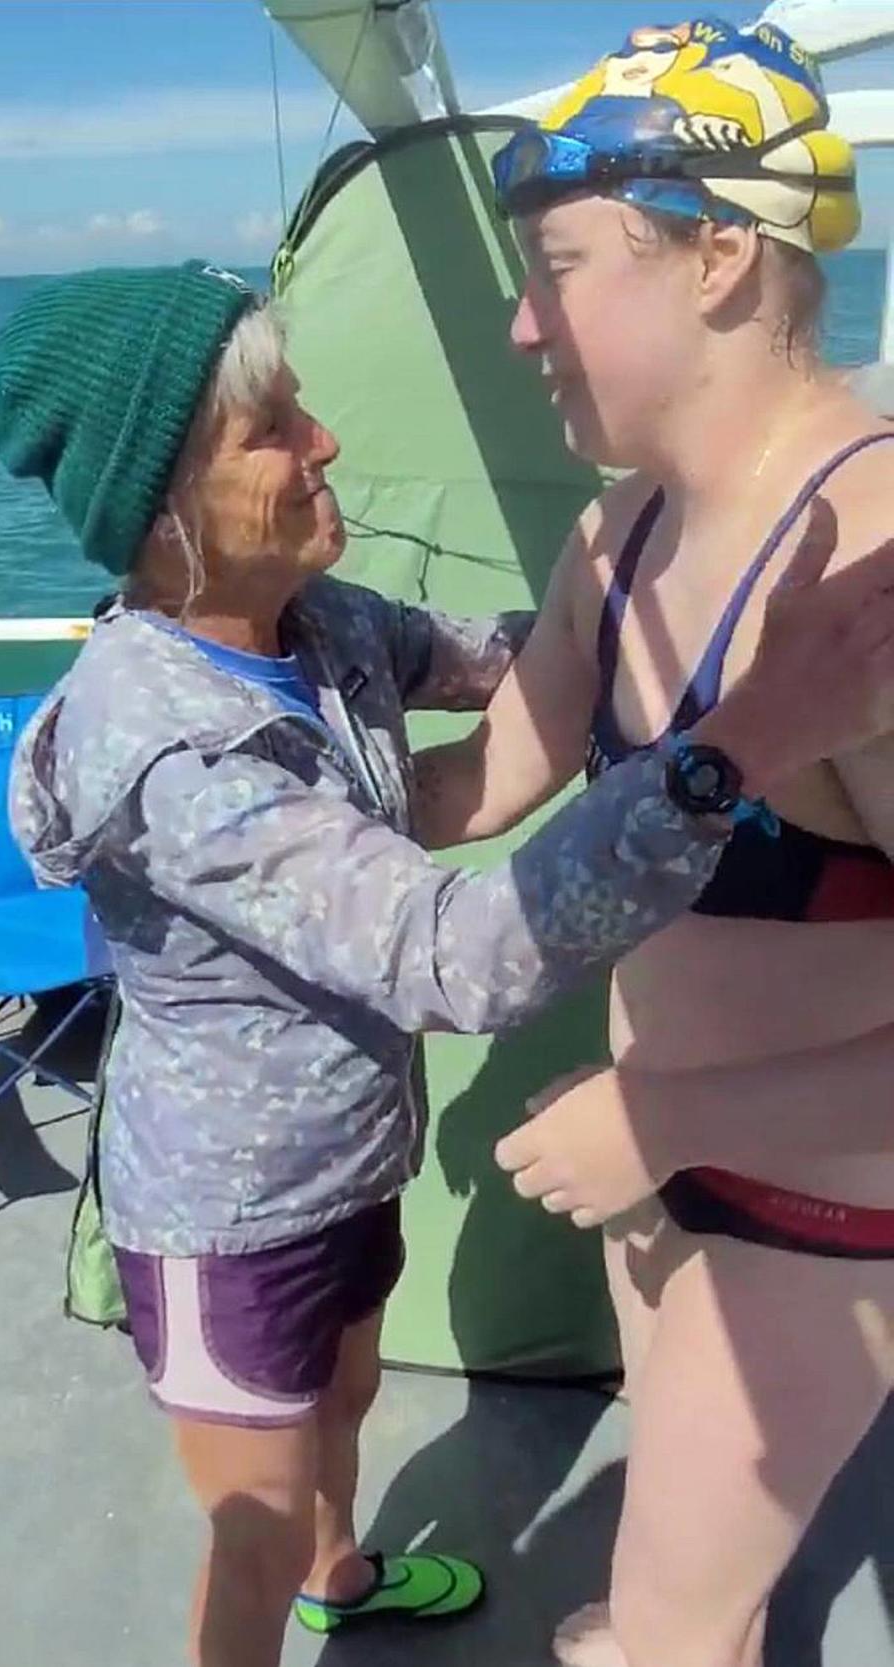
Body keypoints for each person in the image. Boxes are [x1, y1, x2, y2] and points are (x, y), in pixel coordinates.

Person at [0, 255, 892, 1667]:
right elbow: (446, 957)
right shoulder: (166, 751)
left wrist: (679, 603)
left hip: (351, 1157)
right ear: (165, 504)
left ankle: (343, 1579)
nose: (322, 438)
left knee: (343, 1401)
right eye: (271, 424)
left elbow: (520, 661)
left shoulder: (317, 620)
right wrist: (740, 745)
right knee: (255, 1525)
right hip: (225, 1215)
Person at [414, 16, 894, 1667]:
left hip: (814, 1207)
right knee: (712, 1600)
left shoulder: (876, 570)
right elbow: (480, 784)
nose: (519, 322)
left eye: (554, 264)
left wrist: (668, 1111)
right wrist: (242, 759)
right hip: (656, 1168)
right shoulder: (619, 531)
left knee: (661, 1637)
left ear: (717, 261)